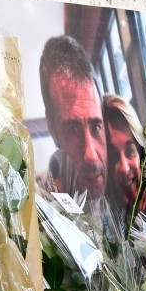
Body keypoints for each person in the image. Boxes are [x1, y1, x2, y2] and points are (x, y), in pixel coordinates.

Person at [39, 35, 108, 199]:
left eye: (96, 127)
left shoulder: (121, 188)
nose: (91, 155)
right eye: (73, 130)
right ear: (52, 128)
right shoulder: (40, 208)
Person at [102, 93, 145, 216]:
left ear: (140, 153)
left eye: (129, 151)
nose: (125, 168)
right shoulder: (104, 219)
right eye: (113, 157)